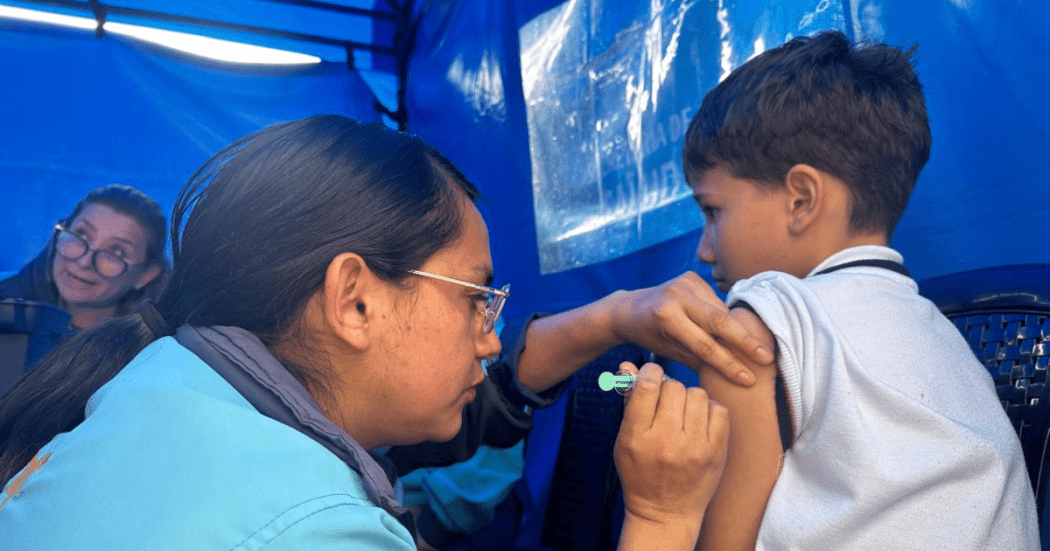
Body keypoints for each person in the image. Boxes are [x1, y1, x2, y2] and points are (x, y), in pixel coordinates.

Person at [0, 115, 760, 550]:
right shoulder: (321, 531)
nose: (489, 336)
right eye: (475, 299)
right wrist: (661, 517)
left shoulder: (157, 379)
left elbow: (477, 400)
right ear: (355, 300)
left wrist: (617, 314)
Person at [680, 30, 1039, 550]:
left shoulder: (758, 329)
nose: (704, 249)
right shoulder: (957, 345)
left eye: (713, 211)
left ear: (801, 200)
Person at [0, 184, 168, 331]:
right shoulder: (5, 303)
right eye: (81, 234)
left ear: (145, 275)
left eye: (116, 252)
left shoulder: (157, 350)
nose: (84, 261)